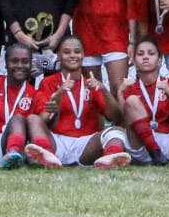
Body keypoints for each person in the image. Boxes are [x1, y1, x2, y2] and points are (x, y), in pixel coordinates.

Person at [23, 36, 131, 169]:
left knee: (117, 131)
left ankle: (110, 158)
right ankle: (48, 156)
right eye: (67, 52)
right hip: (57, 141)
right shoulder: (48, 82)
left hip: (85, 144)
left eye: (77, 51)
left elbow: (117, 117)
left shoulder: (90, 83)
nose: (72, 55)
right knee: (33, 119)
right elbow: (43, 120)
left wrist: (104, 90)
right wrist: (58, 96)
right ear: (59, 56)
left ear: (83, 55)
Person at [120, 37, 169, 166]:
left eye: (151, 53)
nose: (145, 57)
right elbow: (125, 121)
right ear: (135, 62)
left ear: (159, 61)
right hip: (141, 142)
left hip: (168, 137)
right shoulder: (130, 87)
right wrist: (120, 93)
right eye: (140, 54)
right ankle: (155, 153)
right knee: (132, 101)